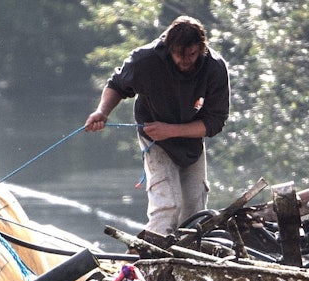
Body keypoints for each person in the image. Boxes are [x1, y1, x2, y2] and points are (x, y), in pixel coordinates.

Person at [84, 16, 230, 238]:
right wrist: (102, 112)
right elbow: (117, 84)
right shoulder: (146, 60)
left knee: (196, 212)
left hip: (191, 139)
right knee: (168, 206)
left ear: (201, 48)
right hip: (155, 138)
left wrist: (171, 130)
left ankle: (186, 254)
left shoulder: (215, 67)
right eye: (179, 54)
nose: (185, 61)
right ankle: (150, 253)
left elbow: (215, 122)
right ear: (169, 48)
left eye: (191, 54)